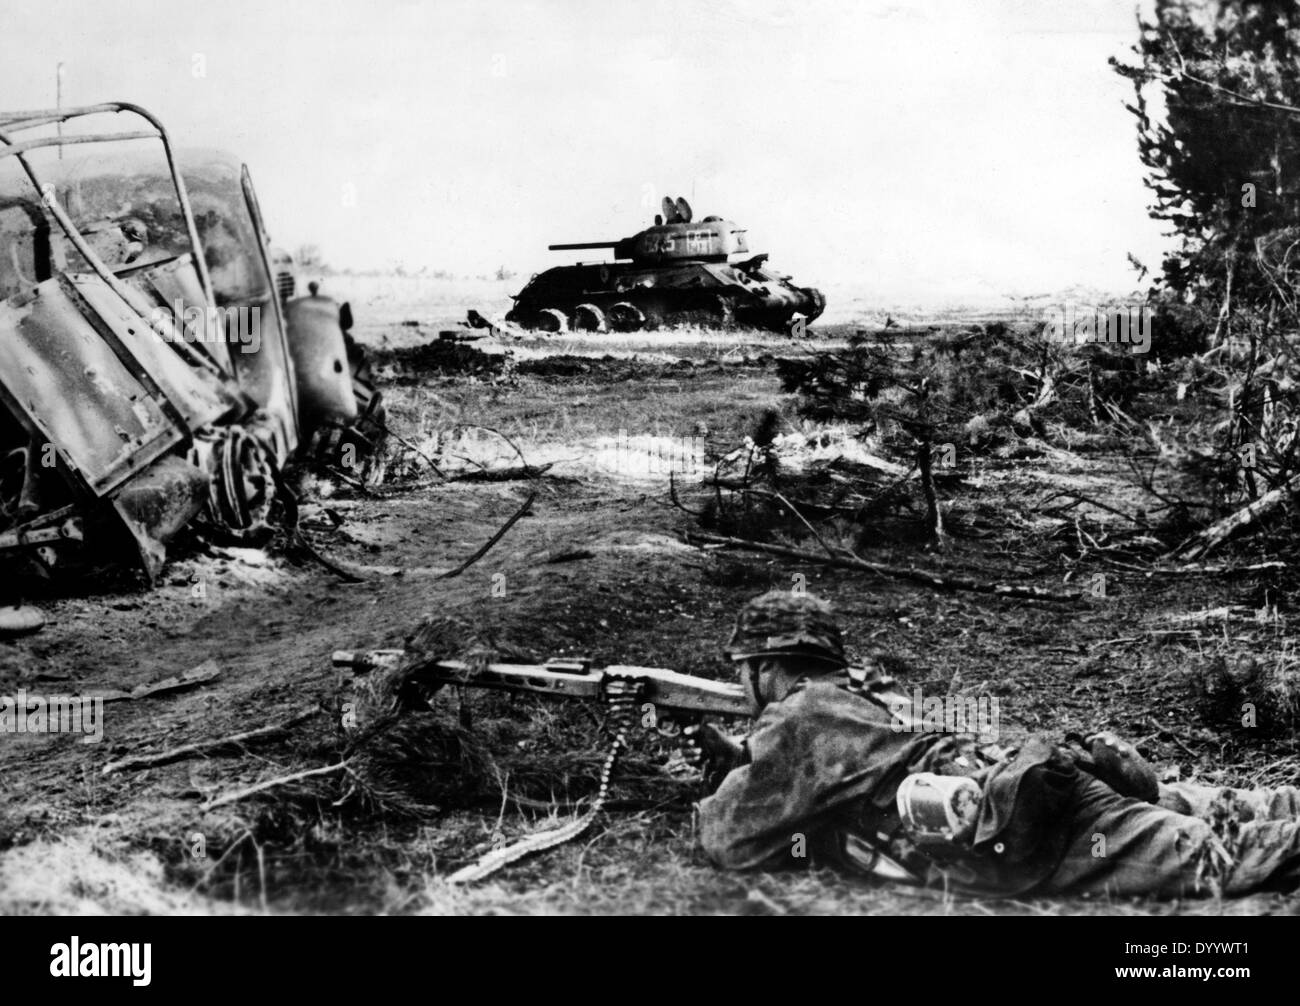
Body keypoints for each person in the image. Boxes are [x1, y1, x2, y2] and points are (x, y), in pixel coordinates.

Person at [691, 589, 1300, 898]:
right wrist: (743, 760)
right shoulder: (864, 687)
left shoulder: (794, 717)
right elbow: (850, 762)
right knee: (1231, 807)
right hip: (1041, 777)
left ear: (761, 666)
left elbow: (731, 843)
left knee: (1235, 857)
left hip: (1030, 824)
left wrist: (727, 780)